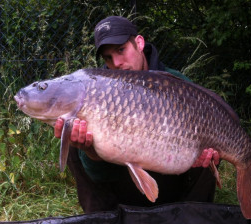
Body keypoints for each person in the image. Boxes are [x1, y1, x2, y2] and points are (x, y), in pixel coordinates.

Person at [54, 16, 220, 213]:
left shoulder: (179, 85)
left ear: (139, 43)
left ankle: (192, 215)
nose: (116, 62)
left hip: (174, 181)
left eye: (121, 50)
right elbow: (98, 176)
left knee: (212, 136)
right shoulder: (99, 95)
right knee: (72, 138)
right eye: (108, 57)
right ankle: (104, 217)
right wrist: (90, 151)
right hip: (121, 185)